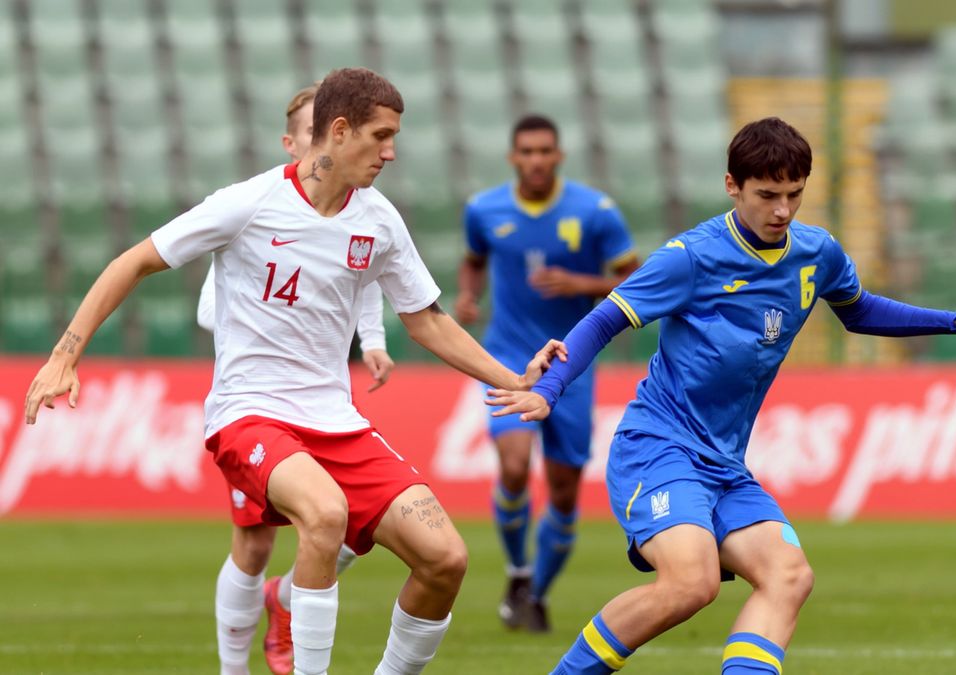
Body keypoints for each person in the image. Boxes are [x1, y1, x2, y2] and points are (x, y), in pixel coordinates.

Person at [25, 67, 565, 675]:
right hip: (249, 414)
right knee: (322, 516)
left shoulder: (379, 220)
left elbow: (429, 322)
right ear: (339, 130)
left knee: (445, 559)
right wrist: (65, 354)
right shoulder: (249, 203)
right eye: (381, 136)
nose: (390, 152)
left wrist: (514, 379)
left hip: (336, 422)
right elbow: (133, 262)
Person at [487, 117, 956, 674]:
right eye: (767, 195)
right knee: (691, 583)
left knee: (789, 576)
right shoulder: (691, 257)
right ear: (732, 186)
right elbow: (605, 320)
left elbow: (859, 311)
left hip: (723, 463)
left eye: (794, 194)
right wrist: (548, 389)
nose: (783, 210)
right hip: (658, 447)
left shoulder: (817, 253)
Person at [193, 82, 395, 675]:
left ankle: (287, 598)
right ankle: (234, 669)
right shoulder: (252, 213)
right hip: (256, 402)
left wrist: (374, 342)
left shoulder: (361, 216)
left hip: (324, 401)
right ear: (296, 141)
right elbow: (213, 309)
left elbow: (363, 273)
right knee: (254, 544)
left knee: (356, 529)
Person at [455, 114, 639, 632]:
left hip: (572, 362)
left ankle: (534, 594)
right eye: (527, 152)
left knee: (562, 492)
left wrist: (581, 283)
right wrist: (469, 294)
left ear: (558, 156)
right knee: (513, 467)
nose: (536, 160)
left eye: (544, 151)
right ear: (514, 158)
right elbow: (473, 258)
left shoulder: (595, 211)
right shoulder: (484, 209)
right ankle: (517, 570)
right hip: (510, 355)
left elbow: (636, 280)